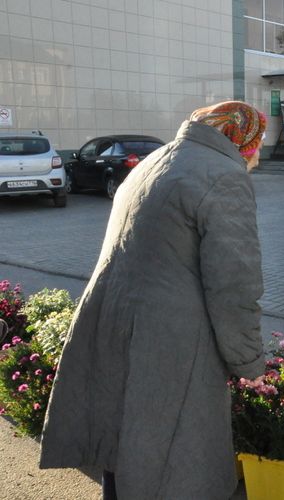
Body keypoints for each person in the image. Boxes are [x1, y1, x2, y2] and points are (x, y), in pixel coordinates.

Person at [39, 101, 268, 499]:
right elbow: (234, 284)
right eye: (259, 142)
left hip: (115, 320)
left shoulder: (157, 159)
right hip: (170, 343)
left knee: (122, 451)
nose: (260, 152)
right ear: (242, 140)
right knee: (173, 462)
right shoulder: (223, 176)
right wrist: (249, 361)